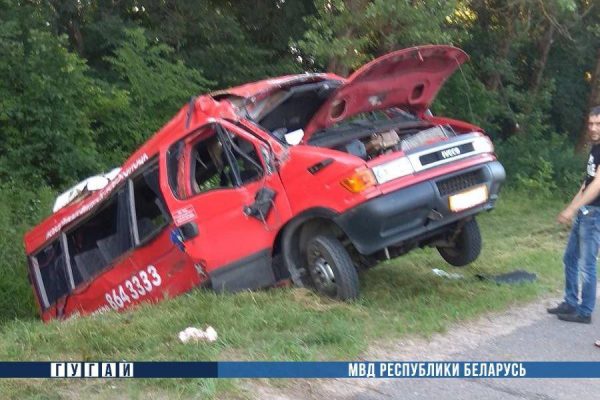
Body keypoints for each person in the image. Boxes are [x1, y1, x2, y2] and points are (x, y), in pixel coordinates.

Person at [547, 106, 600, 324]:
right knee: (570, 258)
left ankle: (584, 311)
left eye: (598, 124)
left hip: (595, 214)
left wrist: (573, 209)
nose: (593, 128)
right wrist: (571, 208)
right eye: (591, 124)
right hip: (585, 212)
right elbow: (586, 183)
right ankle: (570, 302)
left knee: (587, 265)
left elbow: (598, 185)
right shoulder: (595, 148)